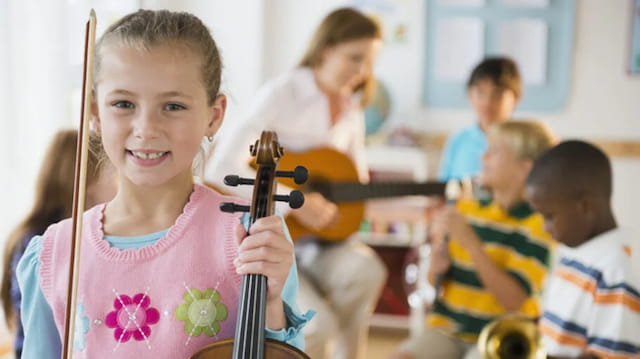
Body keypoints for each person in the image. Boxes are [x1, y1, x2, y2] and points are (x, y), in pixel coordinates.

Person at [16, 9, 311, 358]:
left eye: (173, 106)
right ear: (94, 114)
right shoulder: (57, 252)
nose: (146, 128)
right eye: (123, 103)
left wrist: (272, 301)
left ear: (214, 116)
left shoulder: (249, 237)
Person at [205, 7, 387, 359]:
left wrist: (419, 206)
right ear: (325, 51)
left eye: (369, 62)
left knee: (367, 270)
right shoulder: (283, 92)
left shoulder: (352, 110)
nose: (362, 72)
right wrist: (295, 200)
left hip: (323, 245)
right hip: (274, 238)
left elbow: (358, 189)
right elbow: (220, 170)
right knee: (317, 327)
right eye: (355, 58)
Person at [390, 121, 557, 359]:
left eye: (494, 152)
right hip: (447, 331)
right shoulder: (467, 209)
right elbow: (435, 282)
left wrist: (471, 244)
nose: (483, 157)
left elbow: (514, 301)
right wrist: (436, 264)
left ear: (525, 169)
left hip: (504, 337)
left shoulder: (538, 226)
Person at [1, 129, 116, 358]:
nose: (117, 184)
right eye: (111, 172)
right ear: (89, 179)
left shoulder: (29, 231)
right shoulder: (43, 242)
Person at [526, 140, 640, 359]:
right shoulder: (572, 248)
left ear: (585, 207)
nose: (544, 227)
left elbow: (610, 355)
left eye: (549, 217)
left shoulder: (617, 269)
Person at [438, 57, 522, 182]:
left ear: (515, 99)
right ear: (469, 95)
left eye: (497, 93)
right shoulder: (459, 141)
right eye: (480, 92)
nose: (487, 102)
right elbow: (443, 191)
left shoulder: (525, 142)